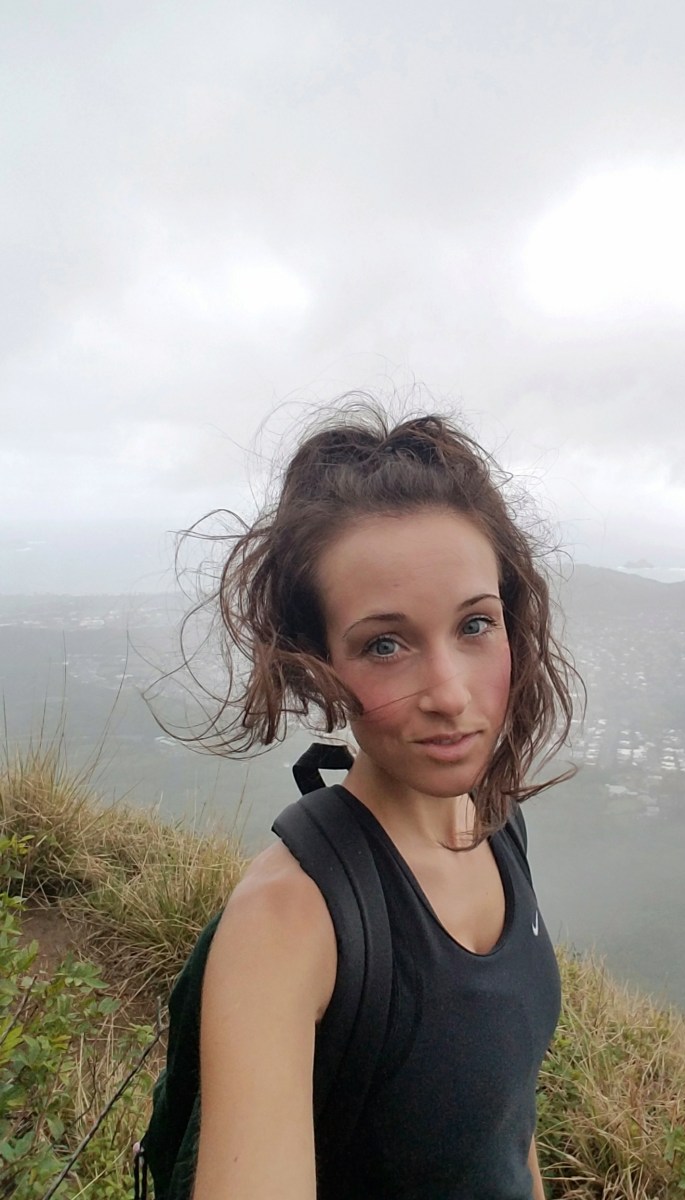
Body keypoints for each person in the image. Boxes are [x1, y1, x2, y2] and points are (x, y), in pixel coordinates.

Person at [178, 402, 576, 1199]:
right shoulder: (288, 925)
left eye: (475, 624)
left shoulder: (496, 826)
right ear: (318, 663)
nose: (450, 694)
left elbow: (507, 1126)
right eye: (384, 644)